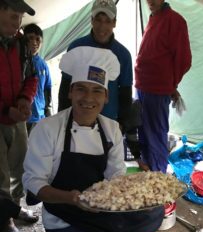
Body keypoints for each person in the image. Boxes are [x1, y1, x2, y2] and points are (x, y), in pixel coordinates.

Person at [23, 46, 164, 232]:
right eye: (81, 89)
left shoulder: (111, 129)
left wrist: (139, 186)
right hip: (63, 217)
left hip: (101, 211)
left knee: (157, 212)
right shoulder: (47, 129)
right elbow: (34, 183)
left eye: (97, 90)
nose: (89, 98)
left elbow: (115, 177)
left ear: (106, 97)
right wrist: (72, 198)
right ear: (70, 92)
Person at [58, 0, 133, 134]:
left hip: (108, 121)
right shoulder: (76, 47)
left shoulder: (123, 54)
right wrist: (62, 118)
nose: (102, 26)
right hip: (77, 120)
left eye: (107, 21)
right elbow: (65, 87)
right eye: (98, 20)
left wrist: (123, 123)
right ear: (91, 20)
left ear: (114, 23)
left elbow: (125, 92)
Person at [135, 0, 192, 173]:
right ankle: (149, 173)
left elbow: (184, 60)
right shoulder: (154, 17)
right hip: (142, 87)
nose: (151, 0)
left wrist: (170, 85)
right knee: (144, 133)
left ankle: (158, 177)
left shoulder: (175, 21)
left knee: (156, 136)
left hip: (157, 90)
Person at [0, 0, 39, 232]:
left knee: (20, 167)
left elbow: (32, 77)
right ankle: (5, 220)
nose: (15, 24)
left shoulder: (22, 44)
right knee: (0, 173)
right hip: (3, 117)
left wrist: (25, 100)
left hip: (17, 119)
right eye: (10, 17)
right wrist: (6, 110)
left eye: (18, 19)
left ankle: (15, 207)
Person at [23, 23, 52, 134]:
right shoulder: (19, 61)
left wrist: (47, 112)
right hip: (22, 116)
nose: (34, 42)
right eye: (30, 38)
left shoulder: (43, 65)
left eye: (38, 39)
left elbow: (47, 88)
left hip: (40, 117)